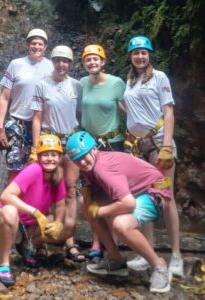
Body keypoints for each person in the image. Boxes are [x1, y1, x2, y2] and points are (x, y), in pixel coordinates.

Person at [66, 131, 173, 293]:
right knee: (85, 203)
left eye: (84, 155)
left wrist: (100, 211)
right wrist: (89, 196)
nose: (82, 161)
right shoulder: (91, 165)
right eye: (77, 160)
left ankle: (159, 266)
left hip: (155, 192)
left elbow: (128, 203)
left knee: (121, 225)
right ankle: (116, 259)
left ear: (94, 149)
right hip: (136, 192)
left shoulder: (103, 168)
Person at [122, 36, 183, 277]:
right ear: (130, 56)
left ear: (150, 55)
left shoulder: (159, 78)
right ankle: (146, 252)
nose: (140, 56)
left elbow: (168, 112)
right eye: (135, 53)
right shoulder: (130, 80)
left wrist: (167, 146)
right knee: (143, 198)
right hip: (138, 147)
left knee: (166, 198)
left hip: (159, 145)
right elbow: (129, 106)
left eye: (143, 53)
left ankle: (176, 254)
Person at [0, 135, 67, 286]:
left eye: (54, 155)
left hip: (27, 227)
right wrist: (35, 212)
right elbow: (6, 196)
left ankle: (26, 246)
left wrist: (59, 222)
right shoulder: (34, 170)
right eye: (46, 155)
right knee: (10, 211)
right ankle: (4, 264)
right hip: (1, 220)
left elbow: (61, 205)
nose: (50, 159)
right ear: (39, 156)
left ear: (60, 157)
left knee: (63, 225)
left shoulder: (58, 176)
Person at [30, 45, 85, 262]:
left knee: (70, 191)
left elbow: (83, 113)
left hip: (71, 142)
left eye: (66, 61)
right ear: (52, 61)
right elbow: (36, 117)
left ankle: (69, 240)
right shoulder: (42, 85)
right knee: (46, 190)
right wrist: (36, 149)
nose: (61, 64)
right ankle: (41, 240)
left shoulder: (77, 86)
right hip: (49, 142)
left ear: (70, 64)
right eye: (58, 60)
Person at [80, 44, 126, 260]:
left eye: (95, 59)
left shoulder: (117, 84)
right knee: (92, 193)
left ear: (103, 61)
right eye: (88, 59)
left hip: (111, 144)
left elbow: (130, 108)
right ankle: (97, 241)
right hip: (87, 146)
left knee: (110, 193)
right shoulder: (81, 84)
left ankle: (111, 243)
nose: (92, 62)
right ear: (84, 63)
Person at [0, 28, 53, 183]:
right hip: (17, 125)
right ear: (28, 45)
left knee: (42, 171)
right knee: (14, 170)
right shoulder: (16, 64)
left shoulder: (52, 67)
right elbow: (4, 97)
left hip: (43, 127)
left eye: (40, 44)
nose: (37, 47)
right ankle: (9, 204)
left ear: (45, 47)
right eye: (33, 43)